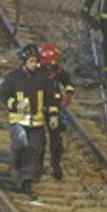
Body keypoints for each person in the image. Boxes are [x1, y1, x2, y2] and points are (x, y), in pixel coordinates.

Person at [0, 44, 58, 199]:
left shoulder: (42, 78)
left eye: (36, 61)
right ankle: (17, 171)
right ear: (24, 61)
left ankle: (27, 181)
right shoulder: (13, 77)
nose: (34, 65)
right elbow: (3, 95)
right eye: (31, 61)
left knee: (35, 149)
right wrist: (14, 105)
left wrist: (53, 115)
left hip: (36, 122)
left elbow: (51, 97)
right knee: (21, 147)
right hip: (19, 121)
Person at [39, 42, 73, 181]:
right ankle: (36, 166)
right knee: (37, 140)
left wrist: (69, 93)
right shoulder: (36, 72)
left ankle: (55, 163)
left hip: (53, 110)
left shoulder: (58, 71)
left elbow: (67, 80)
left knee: (56, 141)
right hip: (37, 108)